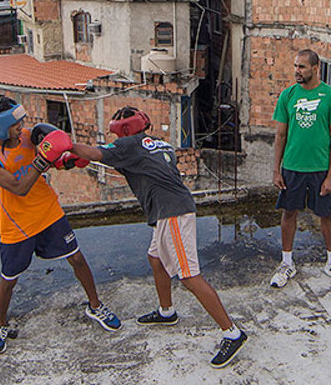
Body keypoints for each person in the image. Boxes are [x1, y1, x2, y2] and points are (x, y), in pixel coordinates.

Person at [65, 106, 248, 369]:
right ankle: (167, 312)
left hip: (172, 214)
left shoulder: (128, 145)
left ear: (123, 129)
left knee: (189, 276)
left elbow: (97, 153)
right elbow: (119, 160)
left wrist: (67, 144)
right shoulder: (161, 145)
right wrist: (77, 157)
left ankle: (232, 333)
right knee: (156, 259)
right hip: (170, 210)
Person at [0, 96, 120, 356]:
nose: (22, 127)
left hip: (49, 212)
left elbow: (57, 162)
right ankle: (0, 325)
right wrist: (42, 160)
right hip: (17, 224)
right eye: (16, 124)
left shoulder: (32, 136)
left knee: (77, 259)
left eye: (22, 122)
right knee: (9, 280)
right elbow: (18, 187)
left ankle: (95, 306)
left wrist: (70, 160)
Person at [270, 48, 331, 289]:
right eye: (295, 66)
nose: (297, 71)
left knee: (327, 215)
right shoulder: (287, 95)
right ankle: (287, 263)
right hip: (292, 167)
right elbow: (281, 134)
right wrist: (276, 170)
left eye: (302, 67)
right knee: (288, 213)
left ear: (315, 69)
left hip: (320, 169)